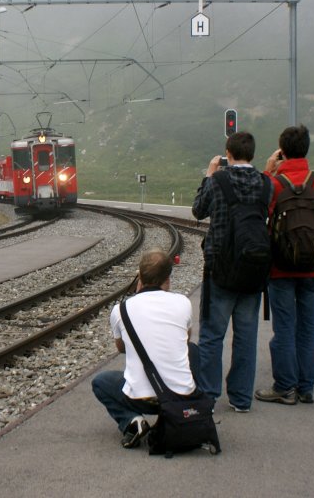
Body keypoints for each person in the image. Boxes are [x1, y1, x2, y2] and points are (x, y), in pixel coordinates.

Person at [192, 131, 270, 413]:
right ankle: (240, 399)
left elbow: (198, 211)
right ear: (252, 154)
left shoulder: (218, 181)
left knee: (212, 335)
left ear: (228, 152)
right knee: (247, 337)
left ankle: (209, 396)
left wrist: (209, 175)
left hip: (220, 269)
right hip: (253, 270)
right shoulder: (265, 183)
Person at [91, 249, 198, 448]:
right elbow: (185, 340)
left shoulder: (120, 309)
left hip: (140, 399)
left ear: (139, 277)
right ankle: (178, 415)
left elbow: (121, 347)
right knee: (194, 351)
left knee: (101, 382)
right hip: (179, 396)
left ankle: (131, 421)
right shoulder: (183, 303)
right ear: (168, 278)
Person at [255, 124, 314, 405]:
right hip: (312, 267)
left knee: (284, 328)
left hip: (281, 268)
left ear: (282, 151)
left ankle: (285, 387)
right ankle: (306, 387)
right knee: (309, 328)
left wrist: (269, 170)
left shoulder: (274, 183)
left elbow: (261, 206)